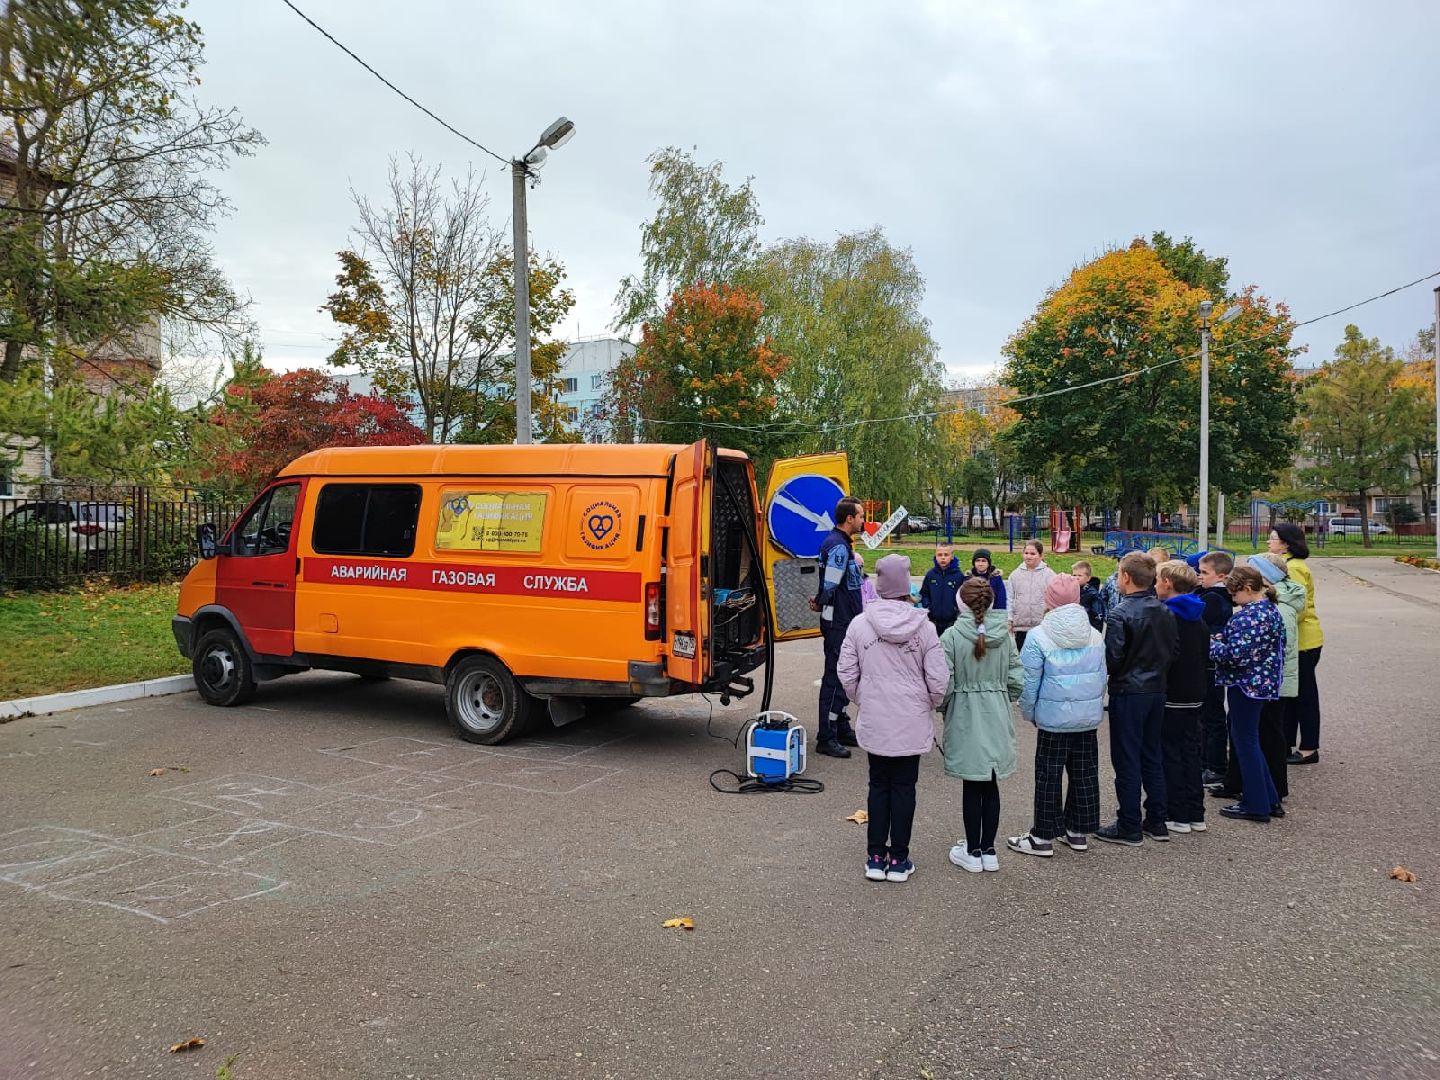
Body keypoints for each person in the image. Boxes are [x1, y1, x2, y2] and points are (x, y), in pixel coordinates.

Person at [838, 554, 950, 883]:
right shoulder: (925, 627)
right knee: (904, 786)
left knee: (878, 783)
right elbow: (939, 679)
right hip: (911, 718)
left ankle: (876, 856)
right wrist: (927, 702)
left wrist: (863, 698)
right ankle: (899, 857)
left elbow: (846, 672)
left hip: (876, 716)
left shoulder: (860, 624)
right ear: (906, 585)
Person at [1006, 573, 1105, 858]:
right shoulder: (1094, 634)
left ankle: (1043, 835)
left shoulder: (1038, 636)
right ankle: (1078, 830)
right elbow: (1101, 676)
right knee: (1084, 773)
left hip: (1052, 716)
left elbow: (1029, 681)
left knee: (1049, 775)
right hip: (1085, 716)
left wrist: (1029, 712)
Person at [940, 578, 1024, 873]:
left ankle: (973, 850)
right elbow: (1016, 679)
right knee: (990, 783)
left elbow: (944, 683)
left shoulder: (951, 636)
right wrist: (1001, 697)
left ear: (961, 602)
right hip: (996, 711)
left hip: (965, 712)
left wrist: (944, 707)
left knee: (972, 783)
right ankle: (988, 848)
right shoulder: (1005, 635)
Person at [1095, 551, 1178, 846]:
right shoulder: (1165, 610)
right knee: (1151, 754)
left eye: (1119, 574)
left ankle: (1129, 823)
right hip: (1156, 688)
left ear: (1126, 577)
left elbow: (1113, 658)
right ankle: (1157, 819)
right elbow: (1172, 650)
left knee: (1128, 758)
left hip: (1129, 691)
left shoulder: (1120, 613)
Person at [1213, 554, 1305, 809]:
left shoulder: (1251, 616)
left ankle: (1255, 803)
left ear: (1248, 589)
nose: (1233, 599)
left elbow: (1235, 655)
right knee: (1250, 742)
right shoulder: (1268, 610)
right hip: (1263, 684)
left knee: (1246, 743)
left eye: (1234, 594)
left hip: (1246, 686)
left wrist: (1211, 645)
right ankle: (1268, 797)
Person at [1154, 560, 1208, 835]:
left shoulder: (1167, 616)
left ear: (1168, 583)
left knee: (1170, 752)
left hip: (1172, 691)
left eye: (1157, 580)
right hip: (1195, 691)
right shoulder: (1198, 615)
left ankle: (1177, 812)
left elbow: (1164, 655)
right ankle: (1195, 812)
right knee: (1190, 751)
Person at [811, 496, 866, 758]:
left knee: (846, 675)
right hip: (839, 623)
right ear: (849, 519)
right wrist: (821, 601)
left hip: (846, 620)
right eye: (861, 516)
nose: (863, 520)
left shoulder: (842, 544)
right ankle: (827, 735)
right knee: (834, 677)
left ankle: (841, 725)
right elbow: (831, 584)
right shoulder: (838, 547)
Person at [1269, 523, 1324, 765]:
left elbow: (1296, 606)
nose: (1268, 542)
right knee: (1289, 694)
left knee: (1304, 696)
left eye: (1273, 538)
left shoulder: (1294, 568)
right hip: (1296, 640)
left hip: (1302, 640)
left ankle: (1309, 748)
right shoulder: (1288, 566)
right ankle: (1285, 742)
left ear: (1286, 544)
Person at [1193, 551, 1235, 784]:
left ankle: (1216, 765)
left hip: (1209, 663)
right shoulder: (1211, 595)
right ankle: (1209, 762)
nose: (1200, 576)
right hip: (1209, 662)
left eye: (1204, 573)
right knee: (1209, 713)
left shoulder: (1213, 599)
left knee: (1211, 714)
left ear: (1220, 576)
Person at [1007, 540, 1056, 650]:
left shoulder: (1049, 575)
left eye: (1033, 554)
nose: (1028, 556)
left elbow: (1055, 599)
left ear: (1041, 555)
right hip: (1020, 627)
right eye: (1026, 553)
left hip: (1042, 627)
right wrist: (1009, 620)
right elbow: (1009, 599)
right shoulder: (1015, 575)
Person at [918, 543, 965, 635]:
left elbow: (963, 597)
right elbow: (924, 594)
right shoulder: (931, 575)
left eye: (946, 555)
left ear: (952, 556)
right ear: (935, 556)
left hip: (952, 623)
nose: (943, 558)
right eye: (939, 555)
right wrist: (928, 606)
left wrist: (955, 608)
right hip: (933, 622)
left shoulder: (959, 576)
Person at [1072, 559, 1107, 630]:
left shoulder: (1093, 595)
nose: (1076, 578)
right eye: (1074, 575)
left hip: (1089, 629)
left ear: (1088, 578)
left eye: (1080, 575)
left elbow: (1098, 616)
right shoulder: (1071, 589)